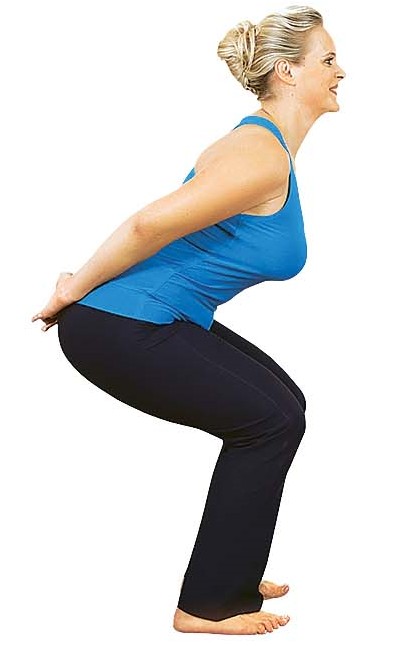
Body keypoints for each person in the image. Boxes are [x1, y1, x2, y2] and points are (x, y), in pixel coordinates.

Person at [31, 4, 346, 636]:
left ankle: (233, 567)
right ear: (288, 71)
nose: (341, 71)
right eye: (329, 60)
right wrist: (71, 289)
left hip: (152, 316)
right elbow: (149, 224)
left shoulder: (266, 146)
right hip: (120, 324)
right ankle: (207, 604)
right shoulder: (259, 155)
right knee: (271, 421)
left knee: (286, 405)